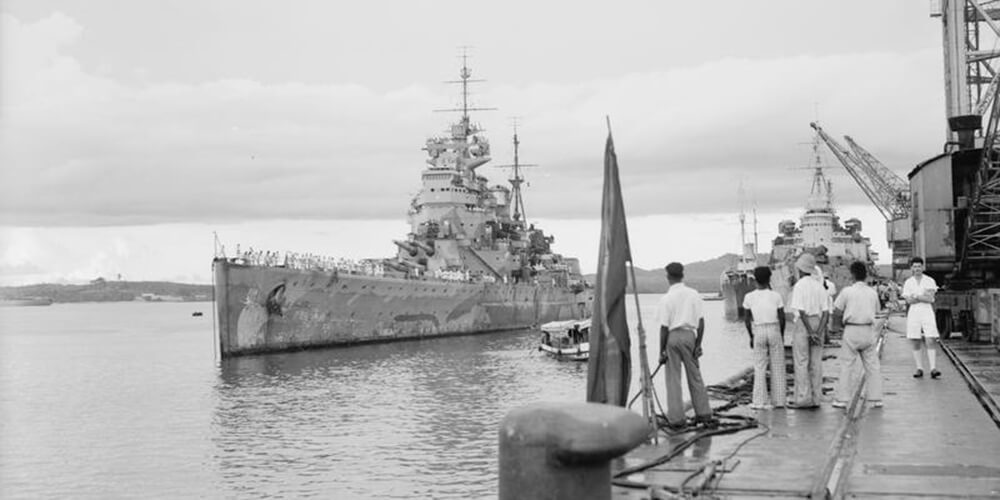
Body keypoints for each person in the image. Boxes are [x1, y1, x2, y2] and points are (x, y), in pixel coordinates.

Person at [657, 262, 716, 429]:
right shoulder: (693, 294)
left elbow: (663, 327)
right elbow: (701, 322)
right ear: (683, 275)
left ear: (668, 277)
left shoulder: (666, 299)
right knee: (695, 375)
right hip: (690, 336)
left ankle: (676, 419)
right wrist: (698, 345)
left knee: (673, 379)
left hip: (672, 337)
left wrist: (661, 351)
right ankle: (703, 414)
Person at [831, 261, 884, 409]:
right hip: (868, 330)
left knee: (847, 365)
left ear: (852, 274)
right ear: (866, 275)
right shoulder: (872, 292)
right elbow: (877, 311)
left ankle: (842, 399)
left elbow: (837, 311)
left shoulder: (847, 292)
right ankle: (876, 398)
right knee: (872, 365)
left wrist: (837, 327)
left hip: (851, 329)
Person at [742, 266, 787, 410]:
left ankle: (759, 402)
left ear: (755, 279)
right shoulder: (776, 296)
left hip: (759, 330)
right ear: (769, 279)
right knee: (778, 366)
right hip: (774, 328)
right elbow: (782, 317)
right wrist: (781, 333)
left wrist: (751, 336)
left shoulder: (749, 297)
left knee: (759, 366)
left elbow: (747, 319)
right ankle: (779, 401)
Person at [788, 253, 830, 409]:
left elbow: (801, 310)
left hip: (803, 325)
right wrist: (818, 332)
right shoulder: (820, 286)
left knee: (801, 362)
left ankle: (802, 399)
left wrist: (809, 331)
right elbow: (826, 313)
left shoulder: (799, 286)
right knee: (816, 363)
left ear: (800, 269)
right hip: (818, 322)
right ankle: (816, 398)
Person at [902, 256, 941, 379]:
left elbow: (930, 298)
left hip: (927, 311)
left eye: (919, 266)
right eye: (915, 266)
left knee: (930, 338)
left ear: (922, 267)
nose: (917, 268)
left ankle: (933, 368)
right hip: (914, 312)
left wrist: (916, 296)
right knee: (915, 340)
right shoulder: (908, 282)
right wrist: (922, 296)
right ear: (911, 268)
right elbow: (908, 301)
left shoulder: (930, 281)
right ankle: (919, 368)